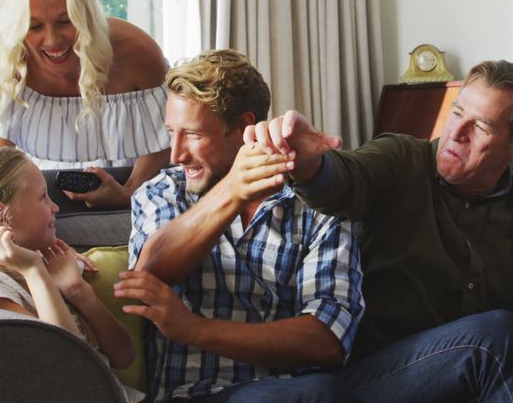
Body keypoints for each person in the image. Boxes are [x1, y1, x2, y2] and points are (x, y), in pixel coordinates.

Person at [247, 60, 513, 402]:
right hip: (373, 377)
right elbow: (343, 181)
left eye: (480, 127)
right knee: (492, 336)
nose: (455, 135)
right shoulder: (401, 159)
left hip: (466, 377)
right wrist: (304, 161)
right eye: (457, 112)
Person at [116, 50, 364, 402]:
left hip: (296, 390)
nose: (176, 154)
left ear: (244, 127)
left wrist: (195, 329)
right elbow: (150, 273)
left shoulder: (316, 203)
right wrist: (232, 190)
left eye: (193, 134)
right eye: (172, 132)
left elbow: (327, 339)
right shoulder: (163, 192)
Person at [0, 147, 141, 401]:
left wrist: (78, 291)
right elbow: (69, 370)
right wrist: (34, 272)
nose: (55, 207)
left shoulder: (50, 259)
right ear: (1, 216)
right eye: (43, 197)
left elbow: (124, 356)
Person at [0, 0, 169, 209]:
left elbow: (168, 134)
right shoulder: (3, 64)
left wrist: (128, 193)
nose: (53, 40)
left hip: (138, 200)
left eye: (66, 22)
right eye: (34, 27)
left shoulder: (136, 51)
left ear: (86, 15)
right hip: (38, 208)